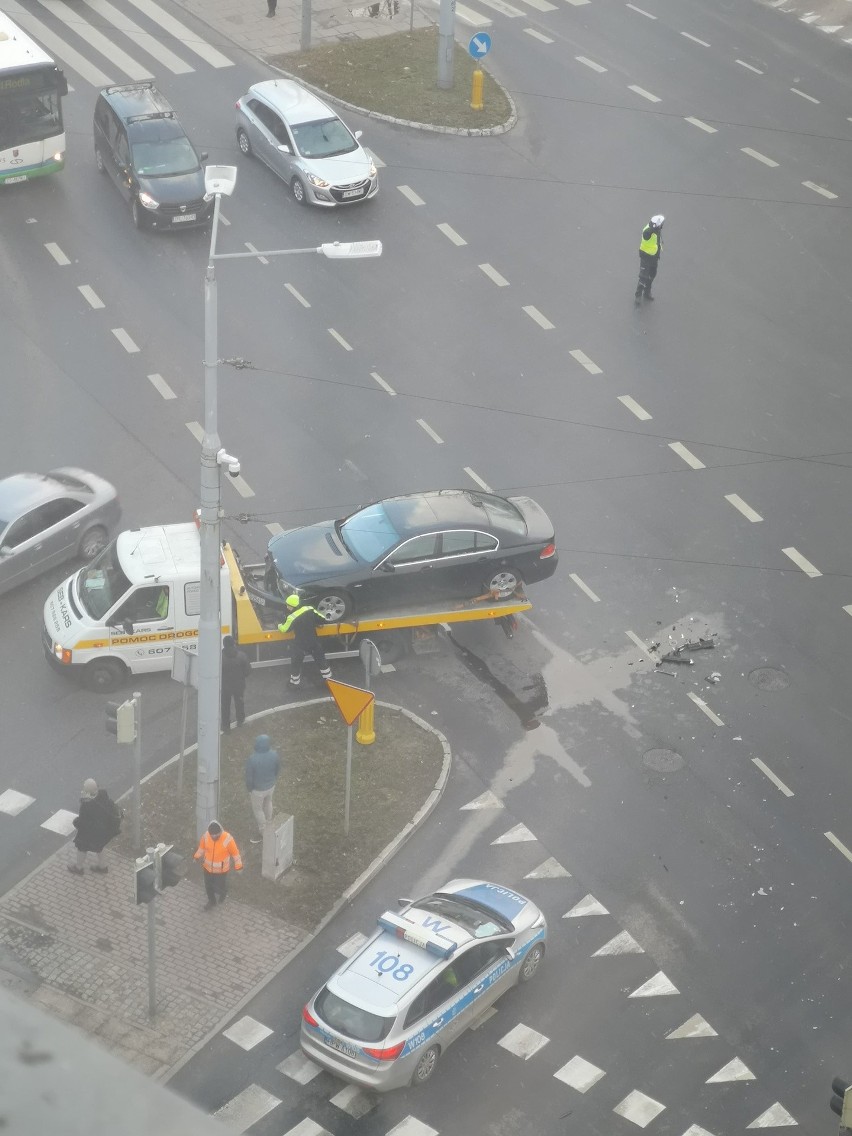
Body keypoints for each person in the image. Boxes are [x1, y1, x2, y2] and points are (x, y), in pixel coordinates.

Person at [68, 779, 122, 875]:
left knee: (81, 847)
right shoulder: (103, 796)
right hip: (105, 830)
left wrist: (76, 822)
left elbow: (83, 823)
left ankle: (78, 868)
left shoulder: (87, 804)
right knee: (100, 847)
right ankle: (103, 867)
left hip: (92, 832)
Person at [277, 595, 332, 687]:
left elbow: (284, 629)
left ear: (293, 606)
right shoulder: (309, 609)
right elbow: (322, 619)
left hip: (300, 644)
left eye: (288, 605)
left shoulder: (292, 617)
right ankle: (329, 681)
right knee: (321, 660)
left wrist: (279, 625)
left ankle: (294, 684)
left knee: (296, 663)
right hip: (313, 641)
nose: (287, 607)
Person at [193, 820, 243, 911]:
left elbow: (235, 854)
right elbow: (201, 848)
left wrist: (239, 866)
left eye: (216, 834)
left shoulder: (228, 839)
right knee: (208, 886)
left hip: (221, 870)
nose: (214, 836)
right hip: (207, 868)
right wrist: (196, 857)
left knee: (220, 886)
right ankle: (212, 901)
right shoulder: (206, 836)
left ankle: (223, 894)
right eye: (212, 834)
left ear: (220, 832)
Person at [245, 735, 280, 844]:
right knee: (268, 802)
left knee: (258, 809)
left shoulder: (252, 759)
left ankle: (263, 831)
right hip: (270, 786)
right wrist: (273, 779)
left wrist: (250, 789)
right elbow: (277, 769)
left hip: (258, 790)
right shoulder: (274, 755)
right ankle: (269, 821)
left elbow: (249, 777)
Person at [221, 634, 251, 732]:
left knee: (225, 706)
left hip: (225, 687)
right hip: (239, 685)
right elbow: (247, 672)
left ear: (224, 645)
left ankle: (226, 726)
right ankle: (240, 720)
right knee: (239, 702)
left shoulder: (219, 658)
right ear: (233, 644)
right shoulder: (241, 655)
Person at [635, 214, 664, 304]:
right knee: (643, 276)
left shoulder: (657, 229)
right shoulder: (648, 230)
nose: (662, 225)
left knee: (652, 274)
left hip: (654, 256)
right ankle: (638, 295)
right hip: (646, 257)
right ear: (657, 224)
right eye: (661, 223)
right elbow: (646, 235)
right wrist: (653, 229)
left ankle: (647, 292)